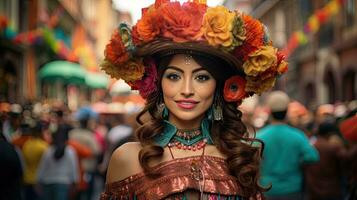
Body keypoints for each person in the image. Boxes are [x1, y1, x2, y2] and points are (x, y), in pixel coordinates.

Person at [100, 0, 288, 199]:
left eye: (202, 77)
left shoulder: (239, 158)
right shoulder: (127, 158)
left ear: (218, 85)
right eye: (174, 76)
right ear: (158, 83)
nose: (187, 90)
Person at [256, 91, 319, 200]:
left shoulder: (259, 136)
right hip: (292, 188)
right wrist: (297, 161)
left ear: (270, 112)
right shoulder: (298, 135)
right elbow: (313, 157)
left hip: (267, 188)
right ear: (286, 112)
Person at [37, 124, 79, 200]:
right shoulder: (70, 151)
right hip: (63, 183)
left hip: (47, 182)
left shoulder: (49, 150)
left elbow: (42, 167)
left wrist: (38, 181)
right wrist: (75, 183)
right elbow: (74, 169)